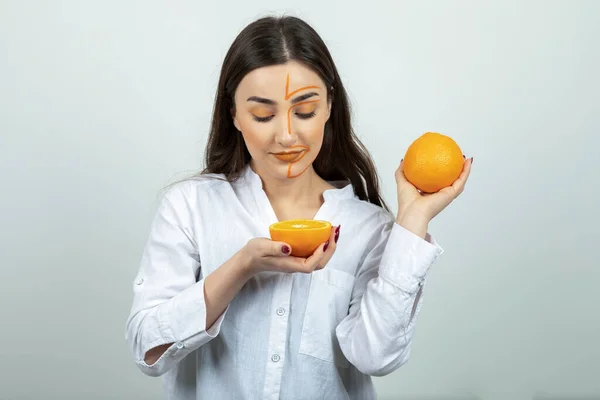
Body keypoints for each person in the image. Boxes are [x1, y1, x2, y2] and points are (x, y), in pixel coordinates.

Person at [125, 14, 472, 400]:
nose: (287, 134)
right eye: (263, 115)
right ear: (234, 115)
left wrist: (413, 222)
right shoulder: (189, 206)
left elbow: (376, 358)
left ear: (328, 107)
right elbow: (148, 349)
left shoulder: (369, 228)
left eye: (305, 111)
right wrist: (242, 267)